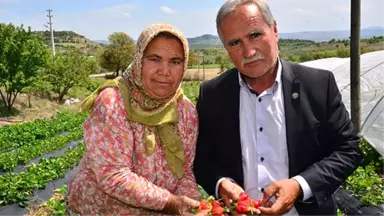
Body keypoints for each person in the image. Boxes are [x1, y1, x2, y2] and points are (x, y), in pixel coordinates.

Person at [192, 1, 363, 216]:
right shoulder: (212, 94)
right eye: (235, 42)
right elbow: (202, 158)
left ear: (274, 29)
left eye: (255, 35)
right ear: (226, 48)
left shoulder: (318, 85)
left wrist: (300, 186)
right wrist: (221, 183)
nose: (249, 51)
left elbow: (348, 149)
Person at [66, 23, 207, 216]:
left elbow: (184, 172)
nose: (165, 71)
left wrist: (193, 203)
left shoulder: (185, 110)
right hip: (100, 209)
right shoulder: (113, 102)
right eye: (154, 59)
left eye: (175, 61)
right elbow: (113, 175)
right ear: (139, 60)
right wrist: (172, 203)